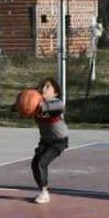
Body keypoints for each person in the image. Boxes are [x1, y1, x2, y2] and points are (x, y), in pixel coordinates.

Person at [30, 76, 68, 204]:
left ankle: (44, 193)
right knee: (35, 163)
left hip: (59, 141)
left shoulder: (56, 103)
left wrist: (37, 104)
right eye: (42, 87)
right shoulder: (37, 105)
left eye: (48, 87)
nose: (44, 89)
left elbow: (52, 108)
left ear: (55, 92)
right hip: (45, 141)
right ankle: (42, 189)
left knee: (42, 162)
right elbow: (23, 107)